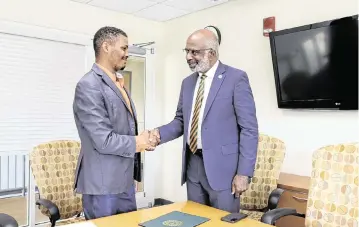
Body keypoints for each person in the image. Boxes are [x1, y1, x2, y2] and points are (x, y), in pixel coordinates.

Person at [150, 28, 259, 213]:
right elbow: (181, 121)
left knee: (224, 223)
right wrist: (157, 135)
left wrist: (244, 173)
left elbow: (249, 129)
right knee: (196, 218)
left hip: (224, 170)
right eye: (187, 51)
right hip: (193, 166)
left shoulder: (236, 78)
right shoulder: (187, 82)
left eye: (194, 52)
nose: (188, 57)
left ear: (211, 52)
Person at [72, 26, 154, 220]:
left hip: (124, 182)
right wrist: (139, 142)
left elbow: (123, 128)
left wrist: (142, 139)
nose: (127, 54)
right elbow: (103, 140)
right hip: (102, 186)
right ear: (106, 47)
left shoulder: (118, 83)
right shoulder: (89, 85)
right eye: (124, 48)